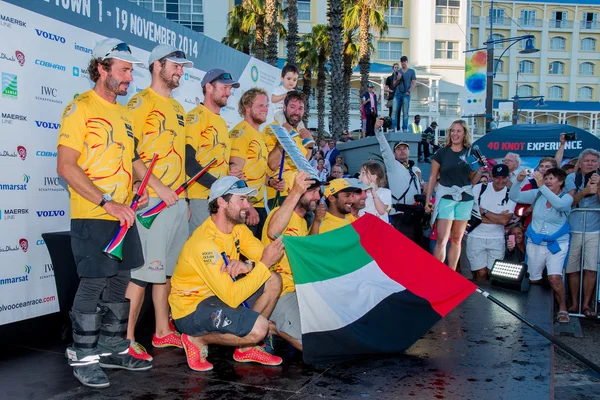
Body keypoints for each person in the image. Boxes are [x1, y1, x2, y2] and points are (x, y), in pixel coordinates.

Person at [56, 38, 151, 388]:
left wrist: (138, 198)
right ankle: (83, 356)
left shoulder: (125, 115)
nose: (129, 78)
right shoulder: (79, 108)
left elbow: (132, 163)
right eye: (124, 70)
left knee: (120, 281)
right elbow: (66, 166)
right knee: (94, 283)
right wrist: (106, 201)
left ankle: (112, 349)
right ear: (102, 68)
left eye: (130, 71)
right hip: (93, 214)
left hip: (123, 216)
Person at [169, 176, 285, 371]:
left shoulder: (238, 229)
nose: (247, 206)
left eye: (247, 200)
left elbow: (265, 257)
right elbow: (232, 296)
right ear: (221, 201)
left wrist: (248, 266)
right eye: (242, 199)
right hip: (191, 309)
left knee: (273, 279)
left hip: (219, 296)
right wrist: (263, 263)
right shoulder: (204, 242)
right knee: (259, 328)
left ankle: (246, 347)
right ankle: (196, 339)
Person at [124, 44, 194, 360]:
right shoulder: (140, 103)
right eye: (175, 66)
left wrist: (185, 198)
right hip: (153, 202)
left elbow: (180, 160)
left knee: (165, 272)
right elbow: (132, 153)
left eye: (182, 67)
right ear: (157, 66)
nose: (180, 72)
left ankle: (163, 331)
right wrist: (159, 187)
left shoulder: (178, 109)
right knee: (142, 271)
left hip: (177, 202)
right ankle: (124, 338)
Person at [261, 171, 321, 352]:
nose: (317, 197)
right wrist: (295, 192)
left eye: (319, 192)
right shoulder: (279, 214)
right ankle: (268, 326)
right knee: (312, 347)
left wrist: (317, 221)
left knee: (325, 333)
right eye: (312, 191)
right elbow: (273, 232)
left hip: (300, 290)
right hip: (280, 292)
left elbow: (308, 251)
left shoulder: (302, 221)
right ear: (295, 190)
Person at [509, 168, 573, 323]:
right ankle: (535, 308)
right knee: (534, 278)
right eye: (547, 178)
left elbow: (558, 205)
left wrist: (541, 186)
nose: (548, 181)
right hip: (536, 243)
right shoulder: (538, 194)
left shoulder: (567, 198)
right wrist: (518, 181)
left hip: (556, 244)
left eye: (552, 178)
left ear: (561, 181)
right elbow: (513, 195)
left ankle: (563, 308)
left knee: (554, 277)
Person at [425, 120, 485, 271]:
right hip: (446, 196)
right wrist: (427, 201)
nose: (455, 134)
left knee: (457, 239)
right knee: (442, 239)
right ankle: (436, 273)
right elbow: (432, 177)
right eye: (453, 131)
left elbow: (472, 181)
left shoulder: (470, 152)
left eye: (458, 131)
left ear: (464, 133)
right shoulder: (442, 152)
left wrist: (480, 168)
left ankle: (451, 273)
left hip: (465, 198)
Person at [186, 69, 239, 233]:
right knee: (199, 251)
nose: (228, 93)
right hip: (200, 198)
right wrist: (219, 185)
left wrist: (231, 173)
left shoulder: (223, 123)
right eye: (224, 88)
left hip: (219, 198)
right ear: (209, 87)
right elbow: (188, 162)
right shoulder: (195, 117)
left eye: (230, 89)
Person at [229, 88, 284, 239]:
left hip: (259, 205)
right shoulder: (241, 133)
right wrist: (248, 206)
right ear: (247, 108)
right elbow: (234, 175)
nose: (265, 109)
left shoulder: (258, 136)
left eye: (266, 105)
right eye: (260, 105)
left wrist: (271, 181)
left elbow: (253, 171)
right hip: (244, 207)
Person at [374, 118, 422, 241]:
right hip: (401, 214)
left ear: (409, 152)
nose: (402, 151)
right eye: (398, 149)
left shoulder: (412, 170)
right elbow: (384, 148)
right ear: (394, 154)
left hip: (415, 213)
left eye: (405, 148)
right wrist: (378, 131)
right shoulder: (393, 166)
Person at [565, 149, 600, 317]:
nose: (590, 164)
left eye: (594, 161)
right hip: (574, 229)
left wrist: (598, 187)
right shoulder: (572, 177)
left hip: (594, 230)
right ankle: (574, 303)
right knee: (572, 268)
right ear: (581, 162)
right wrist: (585, 190)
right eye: (587, 161)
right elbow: (570, 203)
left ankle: (586, 305)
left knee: (591, 268)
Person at [264, 91, 314, 208]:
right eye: (292, 107)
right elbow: (272, 164)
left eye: (300, 108)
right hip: (280, 194)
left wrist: (310, 146)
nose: (296, 112)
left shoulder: (301, 133)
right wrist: (283, 139)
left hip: (300, 193)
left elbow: (303, 163)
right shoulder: (272, 129)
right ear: (285, 107)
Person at [466, 164, 516, 281]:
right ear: (492, 177)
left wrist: (483, 211)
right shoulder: (479, 188)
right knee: (480, 273)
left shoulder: (511, 195)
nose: (500, 181)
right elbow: (470, 214)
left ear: (508, 177)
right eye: (497, 177)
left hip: (496, 238)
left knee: (493, 274)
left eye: (503, 177)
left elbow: (504, 221)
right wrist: (496, 217)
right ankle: (478, 298)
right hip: (476, 237)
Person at [271, 64, 306, 131]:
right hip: (279, 111)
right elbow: (273, 99)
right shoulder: (278, 89)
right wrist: (283, 96)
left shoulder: (294, 92)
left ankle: (303, 133)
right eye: (289, 79)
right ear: (282, 78)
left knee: (300, 122)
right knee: (281, 117)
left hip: (289, 113)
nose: (291, 82)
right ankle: (287, 128)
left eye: (294, 80)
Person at [392, 56, 416, 132]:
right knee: (394, 111)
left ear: (407, 62)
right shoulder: (398, 72)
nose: (403, 63)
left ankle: (405, 128)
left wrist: (409, 91)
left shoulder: (411, 71)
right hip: (398, 94)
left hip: (406, 94)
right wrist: (398, 79)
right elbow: (394, 84)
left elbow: (413, 83)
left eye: (404, 61)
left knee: (405, 112)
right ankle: (393, 127)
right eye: (402, 61)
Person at [384, 63, 399, 130]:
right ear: (393, 69)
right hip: (391, 98)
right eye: (395, 67)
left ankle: (397, 128)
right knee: (391, 113)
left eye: (398, 68)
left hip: (398, 97)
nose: (397, 69)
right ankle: (390, 128)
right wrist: (391, 91)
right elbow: (385, 88)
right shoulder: (389, 78)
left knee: (398, 113)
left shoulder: (400, 79)